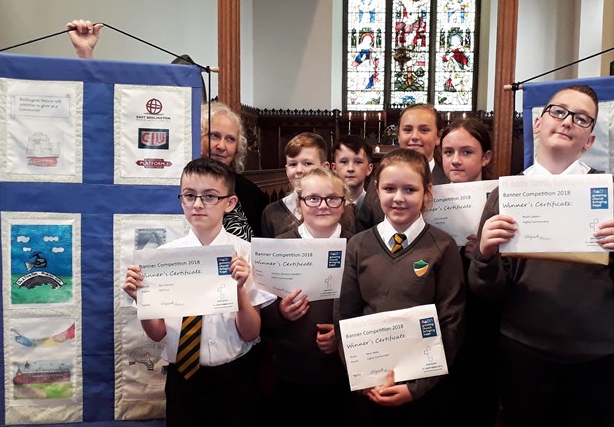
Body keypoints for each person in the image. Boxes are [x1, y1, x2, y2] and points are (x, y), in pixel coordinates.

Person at [468, 85, 614, 426]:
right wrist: (485, 256)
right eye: (558, 112)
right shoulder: (506, 195)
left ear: (588, 140)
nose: (567, 121)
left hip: (601, 360)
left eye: (581, 118)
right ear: (538, 124)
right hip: (525, 356)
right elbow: (487, 291)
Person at [121, 158, 276, 425]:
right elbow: (157, 333)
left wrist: (238, 289)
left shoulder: (247, 255)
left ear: (230, 203)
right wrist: (142, 299)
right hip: (184, 379)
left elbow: (251, 332)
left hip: (237, 377)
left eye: (210, 196)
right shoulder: (162, 258)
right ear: (181, 199)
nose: (198, 204)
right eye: (189, 196)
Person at [334, 148, 465, 426]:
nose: (398, 198)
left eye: (410, 189)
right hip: (370, 382)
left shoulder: (442, 246)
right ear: (376, 190)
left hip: (421, 387)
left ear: (426, 192)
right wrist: (362, 377)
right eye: (390, 188)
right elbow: (345, 316)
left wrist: (417, 387)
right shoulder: (358, 245)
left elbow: (451, 321)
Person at [260, 167, 353, 424]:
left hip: (343, 373)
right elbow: (259, 314)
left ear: (343, 204)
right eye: (312, 198)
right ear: (299, 204)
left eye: (332, 198)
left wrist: (342, 335)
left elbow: (369, 306)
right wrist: (280, 312)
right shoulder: (277, 247)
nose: (323, 205)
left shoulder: (358, 247)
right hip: (291, 371)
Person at [438, 117, 500, 425]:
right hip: (441, 309)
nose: (455, 160)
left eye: (466, 152)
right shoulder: (428, 197)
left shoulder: (502, 199)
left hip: (483, 314)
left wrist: (490, 255)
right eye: (448, 152)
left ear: (485, 157)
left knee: (477, 397)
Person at [356, 104, 450, 231]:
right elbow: (364, 226)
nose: (415, 136)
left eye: (424, 130)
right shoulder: (381, 176)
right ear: (398, 135)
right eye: (407, 130)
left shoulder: (449, 180)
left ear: (438, 136)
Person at [261, 132, 355, 237]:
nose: (299, 170)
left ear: (325, 167)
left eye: (308, 164)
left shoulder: (341, 208)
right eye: (293, 164)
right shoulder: (272, 213)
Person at [200, 101, 269, 240]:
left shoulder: (253, 195)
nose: (221, 146)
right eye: (214, 136)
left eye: (230, 139)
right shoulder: (176, 187)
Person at [331, 135, 373, 212]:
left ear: (369, 169)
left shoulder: (376, 206)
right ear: (334, 168)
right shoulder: (328, 207)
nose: (350, 168)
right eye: (344, 162)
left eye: (358, 162)